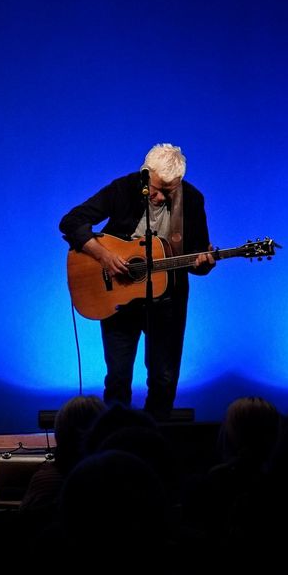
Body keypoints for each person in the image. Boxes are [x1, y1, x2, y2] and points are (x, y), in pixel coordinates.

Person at [59, 143, 215, 421]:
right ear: (145, 174)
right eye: (154, 188)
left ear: (178, 183)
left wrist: (205, 263)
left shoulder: (192, 199)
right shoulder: (124, 188)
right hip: (120, 299)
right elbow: (71, 221)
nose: (158, 196)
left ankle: (154, 446)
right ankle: (115, 443)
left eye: (167, 192)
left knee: (164, 380)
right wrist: (104, 256)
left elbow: (196, 258)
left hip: (167, 303)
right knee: (118, 379)